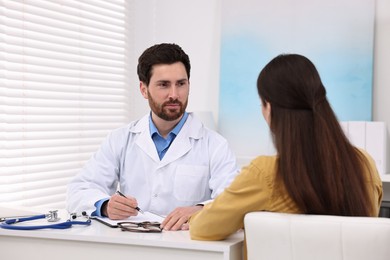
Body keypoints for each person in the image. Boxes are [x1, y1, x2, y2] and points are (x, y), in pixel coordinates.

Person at [189, 54, 383, 242]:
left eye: (261, 103)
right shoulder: (364, 163)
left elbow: (202, 229)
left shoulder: (265, 173)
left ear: (269, 108)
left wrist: (211, 215)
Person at [66, 43, 239, 231]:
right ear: (143, 89)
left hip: (188, 249)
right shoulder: (120, 139)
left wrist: (200, 209)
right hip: (133, 246)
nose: (174, 94)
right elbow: (78, 191)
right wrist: (105, 206)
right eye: (164, 85)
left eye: (181, 84)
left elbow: (233, 201)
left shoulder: (215, 145)